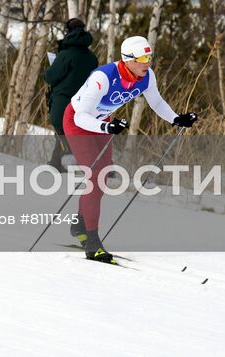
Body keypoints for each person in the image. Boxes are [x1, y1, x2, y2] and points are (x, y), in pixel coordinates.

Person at [63, 35, 198, 263]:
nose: (147, 63)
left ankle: (79, 223)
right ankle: (92, 241)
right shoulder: (103, 77)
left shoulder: (146, 76)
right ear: (127, 60)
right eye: (142, 58)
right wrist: (106, 125)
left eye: (149, 57)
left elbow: (155, 102)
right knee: (96, 175)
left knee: (103, 175)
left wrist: (176, 119)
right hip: (79, 123)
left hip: (103, 123)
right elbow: (81, 116)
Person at [44, 18, 97, 171]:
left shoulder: (65, 55)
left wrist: (55, 63)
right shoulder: (91, 57)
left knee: (64, 132)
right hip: (84, 103)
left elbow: (50, 77)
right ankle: (56, 162)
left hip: (63, 102)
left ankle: (82, 164)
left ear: (68, 32)